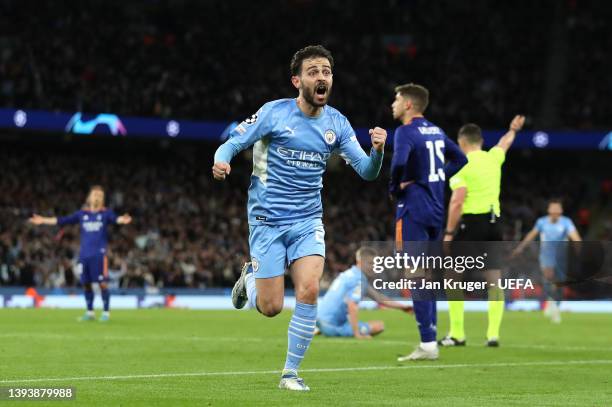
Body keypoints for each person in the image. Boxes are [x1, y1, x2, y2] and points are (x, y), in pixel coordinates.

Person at [212, 45, 387, 391]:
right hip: (266, 219)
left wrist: (378, 152)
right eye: (313, 71)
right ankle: (250, 280)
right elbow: (231, 144)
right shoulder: (273, 114)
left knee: (308, 290)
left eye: (326, 71)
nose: (321, 77)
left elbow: (367, 172)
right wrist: (221, 161)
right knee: (272, 306)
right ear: (297, 80)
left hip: (308, 220)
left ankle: (290, 374)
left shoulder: (337, 123)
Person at [389, 83, 467, 361]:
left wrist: (395, 188)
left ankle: (427, 344)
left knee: (416, 275)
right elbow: (461, 158)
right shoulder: (436, 130)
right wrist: (438, 176)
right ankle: (430, 339)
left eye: (397, 99)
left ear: (409, 104)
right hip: (437, 210)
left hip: (414, 209)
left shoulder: (405, 132)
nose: (393, 104)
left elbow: (398, 162)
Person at [440, 115, 525, 347]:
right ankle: (493, 334)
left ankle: (457, 333)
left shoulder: (460, 165)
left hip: (471, 225)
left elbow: (457, 200)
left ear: (462, 142)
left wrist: (449, 232)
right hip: (494, 225)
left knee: (453, 277)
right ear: (480, 141)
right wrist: (513, 129)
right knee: (494, 280)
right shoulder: (492, 158)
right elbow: (504, 143)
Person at [28, 185, 132, 321]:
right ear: (89, 197)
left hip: (99, 255)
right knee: (86, 283)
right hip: (84, 255)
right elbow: (62, 220)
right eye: (95, 195)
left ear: (102, 199)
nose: (97, 198)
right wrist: (43, 220)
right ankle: (90, 312)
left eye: (100, 196)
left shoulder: (105, 214)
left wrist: (122, 220)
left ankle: (106, 312)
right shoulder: (82, 214)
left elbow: (116, 219)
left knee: (102, 284)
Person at [316, 247, 412, 338]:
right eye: (370, 263)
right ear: (360, 262)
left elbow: (378, 297)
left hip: (320, 320)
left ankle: (321, 329)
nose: (374, 266)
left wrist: (402, 307)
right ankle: (333, 330)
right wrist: (357, 334)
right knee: (379, 326)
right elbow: (352, 305)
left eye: (376, 263)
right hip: (332, 325)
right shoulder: (358, 279)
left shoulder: (350, 274)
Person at [512, 199, 582, 323]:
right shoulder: (542, 222)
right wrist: (520, 247)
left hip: (561, 256)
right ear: (549, 210)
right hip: (546, 255)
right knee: (548, 278)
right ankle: (553, 307)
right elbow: (531, 235)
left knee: (560, 284)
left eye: (557, 209)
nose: (555, 211)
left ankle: (554, 304)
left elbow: (575, 237)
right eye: (553, 209)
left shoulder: (566, 222)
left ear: (561, 211)